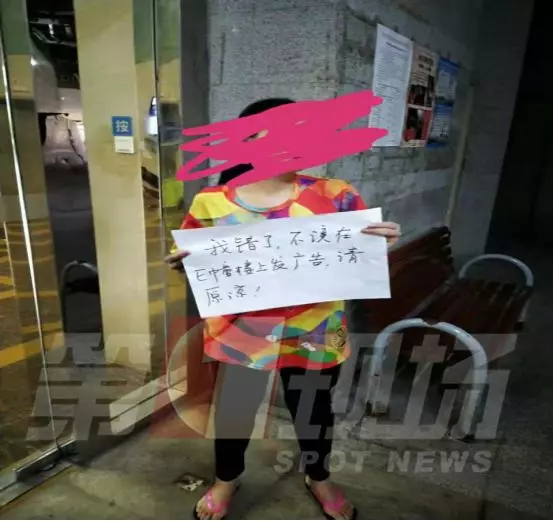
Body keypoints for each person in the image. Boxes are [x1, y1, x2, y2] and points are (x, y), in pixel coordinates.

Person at [166, 98, 401, 520]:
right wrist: (185, 264)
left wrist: (381, 244)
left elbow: (359, 255)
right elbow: (198, 264)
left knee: (314, 409)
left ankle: (318, 476)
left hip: (315, 328)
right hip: (241, 330)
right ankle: (226, 479)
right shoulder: (211, 202)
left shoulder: (336, 195)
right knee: (235, 410)